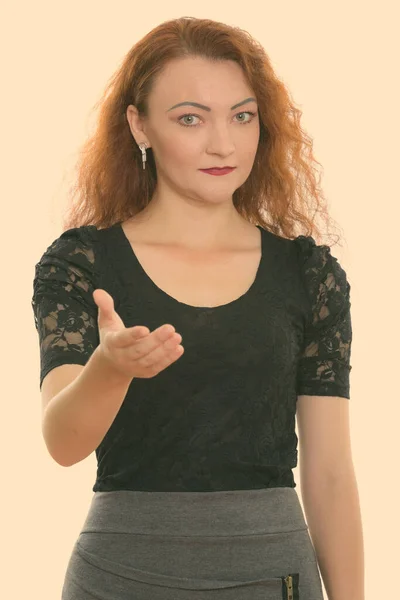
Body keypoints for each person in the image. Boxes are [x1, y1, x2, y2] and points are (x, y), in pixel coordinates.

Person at [31, 16, 364, 600]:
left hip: (273, 577)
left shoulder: (310, 274)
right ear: (139, 125)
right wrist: (109, 370)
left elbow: (331, 474)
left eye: (242, 116)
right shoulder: (81, 263)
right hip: (120, 577)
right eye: (190, 118)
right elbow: (63, 444)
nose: (223, 143)